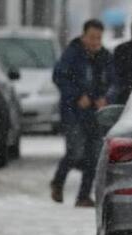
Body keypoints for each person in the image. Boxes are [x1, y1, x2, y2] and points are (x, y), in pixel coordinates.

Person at [50, 19, 114, 207]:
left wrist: (105, 98)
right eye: (92, 37)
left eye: (99, 38)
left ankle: (83, 196)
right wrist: (77, 96)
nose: (95, 42)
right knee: (75, 151)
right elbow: (60, 77)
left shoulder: (105, 57)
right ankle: (58, 182)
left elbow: (112, 82)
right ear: (84, 36)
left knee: (93, 156)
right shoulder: (72, 54)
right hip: (73, 113)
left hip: (95, 114)